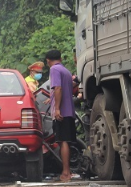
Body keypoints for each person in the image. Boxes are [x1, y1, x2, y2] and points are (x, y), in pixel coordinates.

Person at [46, 49, 75, 182]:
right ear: (61, 58)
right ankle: (67, 171)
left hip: (61, 112)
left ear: (48, 61)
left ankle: (65, 173)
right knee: (66, 141)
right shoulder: (66, 71)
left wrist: (56, 108)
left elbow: (58, 88)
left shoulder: (54, 70)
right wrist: (51, 99)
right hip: (69, 111)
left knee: (63, 141)